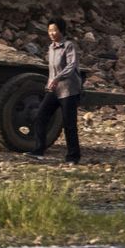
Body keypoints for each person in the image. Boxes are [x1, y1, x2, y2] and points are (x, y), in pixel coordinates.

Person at [27, 17, 82, 165]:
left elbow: (71, 67)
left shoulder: (69, 46)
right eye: (50, 30)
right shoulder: (51, 48)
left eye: (55, 30)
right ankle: (38, 150)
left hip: (69, 90)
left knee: (69, 124)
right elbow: (52, 70)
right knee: (40, 116)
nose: (51, 33)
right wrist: (49, 84)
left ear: (62, 31)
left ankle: (73, 157)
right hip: (54, 90)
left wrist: (57, 79)